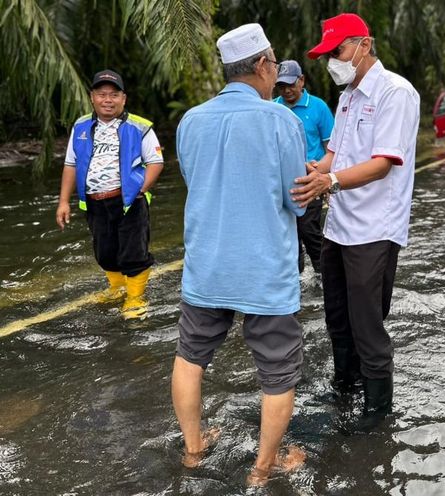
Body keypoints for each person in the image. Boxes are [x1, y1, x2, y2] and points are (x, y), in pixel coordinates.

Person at [173, 24, 307, 486]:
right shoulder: (281, 120)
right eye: (275, 63)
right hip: (263, 269)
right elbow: (297, 199)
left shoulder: (190, 120)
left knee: (190, 356)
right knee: (278, 371)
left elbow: (198, 183)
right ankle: (263, 469)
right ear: (264, 65)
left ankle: (194, 450)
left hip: (206, 266)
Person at [291, 13, 420, 431]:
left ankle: (378, 411)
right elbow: (337, 153)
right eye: (327, 54)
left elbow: (383, 163)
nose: (332, 61)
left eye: (338, 50)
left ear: (365, 44)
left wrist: (329, 181)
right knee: (337, 317)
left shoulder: (395, 92)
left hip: (375, 227)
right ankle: (344, 386)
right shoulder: (348, 96)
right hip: (339, 225)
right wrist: (317, 169)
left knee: (367, 323)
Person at [55, 70, 164, 320]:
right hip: (95, 202)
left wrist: (140, 190)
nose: (107, 100)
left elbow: (156, 162)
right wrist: (63, 201)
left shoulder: (140, 126)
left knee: (133, 252)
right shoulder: (81, 126)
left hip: (129, 202)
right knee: (104, 252)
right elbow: (71, 164)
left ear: (123, 98)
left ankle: (135, 298)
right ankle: (117, 289)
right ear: (92, 97)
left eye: (114, 95)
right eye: (102, 94)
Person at [274, 60, 334, 275]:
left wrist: (327, 177)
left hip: (310, 180)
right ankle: (295, 277)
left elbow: (332, 148)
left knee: (309, 230)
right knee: (288, 234)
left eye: (291, 84)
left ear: (302, 81)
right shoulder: (273, 109)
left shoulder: (318, 107)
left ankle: (323, 273)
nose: (287, 90)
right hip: (282, 183)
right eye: (281, 86)